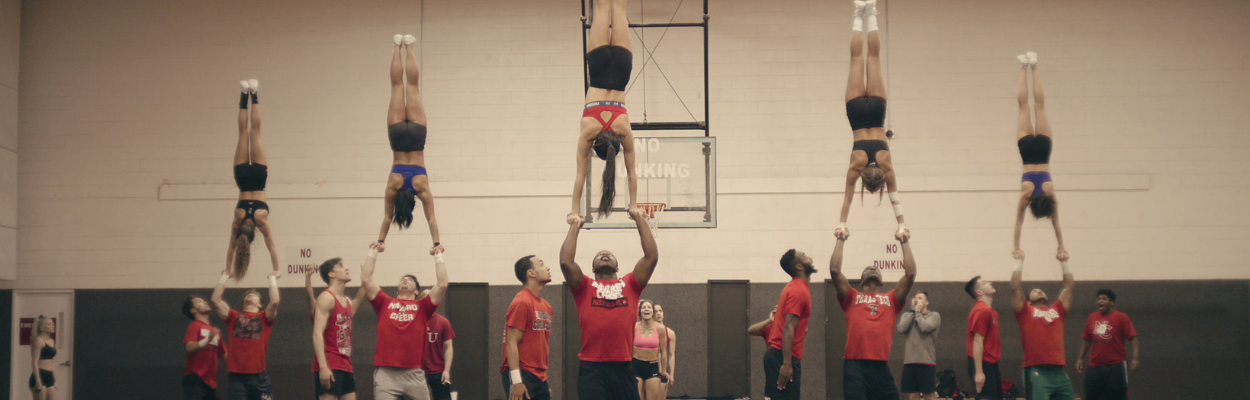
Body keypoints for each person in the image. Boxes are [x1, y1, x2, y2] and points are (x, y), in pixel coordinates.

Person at [559, 206, 658, 400]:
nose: (605, 255)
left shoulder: (631, 283)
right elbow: (565, 262)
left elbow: (651, 257)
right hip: (592, 369)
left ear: (617, 266)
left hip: (624, 367)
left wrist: (639, 219)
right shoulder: (584, 286)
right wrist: (575, 225)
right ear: (593, 268)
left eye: (609, 254)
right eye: (600, 255)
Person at [835, 0, 905, 240]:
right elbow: (847, 198)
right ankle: (858, 12)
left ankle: (871, 11)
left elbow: (895, 200)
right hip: (856, 114)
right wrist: (841, 224)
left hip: (876, 113)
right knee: (857, 58)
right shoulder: (856, 165)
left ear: (882, 180)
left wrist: (902, 225)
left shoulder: (887, 166)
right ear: (863, 181)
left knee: (873, 58)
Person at [570, 0, 638, 223]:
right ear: (594, 146)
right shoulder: (588, 133)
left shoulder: (624, 132)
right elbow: (581, 176)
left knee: (619, 7)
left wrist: (633, 204)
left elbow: (632, 174)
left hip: (621, 70)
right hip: (598, 68)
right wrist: (574, 211)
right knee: (601, 7)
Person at [831, 228, 916, 400]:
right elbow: (835, 271)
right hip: (855, 366)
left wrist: (904, 242)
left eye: (875, 268)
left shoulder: (892, 299)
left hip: (880, 368)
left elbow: (910, 274)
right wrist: (841, 239)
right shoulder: (852, 297)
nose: (872, 268)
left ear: (882, 281)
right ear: (862, 280)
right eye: (868, 269)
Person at [377, 34, 442, 256]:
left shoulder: (421, 188)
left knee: (412, 86)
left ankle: (410, 46)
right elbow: (387, 217)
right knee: (397, 86)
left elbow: (431, 218)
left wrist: (437, 244)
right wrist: (380, 241)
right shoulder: (393, 188)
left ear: (412, 204)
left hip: (416, 137)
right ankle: (397, 45)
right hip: (397, 138)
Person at [360, 241, 450, 400]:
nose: (405, 280)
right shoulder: (384, 303)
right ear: (397, 290)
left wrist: (438, 255)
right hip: (385, 374)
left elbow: (442, 284)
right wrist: (373, 251)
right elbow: (366, 279)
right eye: (403, 279)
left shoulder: (423, 307)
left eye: (410, 279)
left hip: (414, 373)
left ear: (417, 291)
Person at [1012, 52, 1066, 262]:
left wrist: (1061, 247)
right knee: (1024, 108)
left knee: (1039, 107)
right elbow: (1018, 224)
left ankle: (1034, 66)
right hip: (1027, 152)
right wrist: (1016, 247)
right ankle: (1023, 67)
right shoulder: (1025, 196)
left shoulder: (1050, 194)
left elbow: (1057, 225)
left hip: (1043, 152)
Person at [227, 79, 278, 280]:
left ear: (254, 232)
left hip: (259, 177)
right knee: (243, 134)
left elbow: (271, 247)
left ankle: (254, 93)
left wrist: (276, 269)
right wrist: (227, 268)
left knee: (255, 132)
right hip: (242, 178)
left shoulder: (261, 220)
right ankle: (244, 93)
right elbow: (231, 249)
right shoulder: (236, 220)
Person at [1011, 253, 1076, 400]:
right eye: (1034, 291)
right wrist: (1019, 262)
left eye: (1041, 290)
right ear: (1028, 300)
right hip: (1036, 371)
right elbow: (1015, 288)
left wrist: (1064, 262)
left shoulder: (1057, 310)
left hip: (1059, 373)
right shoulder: (1026, 311)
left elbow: (1069, 287)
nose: (1039, 290)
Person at [211, 270, 281, 400]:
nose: (250, 294)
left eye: (253, 294)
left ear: (260, 304)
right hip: (237, 377)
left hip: (259, 376)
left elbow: (275, 301)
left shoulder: (264, 318)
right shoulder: (233, 316)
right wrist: (225, 276)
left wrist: (272, 278)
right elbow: (215, 300)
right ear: (243, 303)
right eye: (248, 294)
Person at [765, 249, 817, 400]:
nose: (810, 257)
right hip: (782, 356)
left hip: (778, 355)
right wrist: (787, 364)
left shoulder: (797, 287)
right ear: (799, 267)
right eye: (805, 256)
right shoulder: (798, 290)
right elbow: (788, 327)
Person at [502, 255, 555, 400]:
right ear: (531, 273)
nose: (547, 268)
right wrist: (517, 381)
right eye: (542, 264)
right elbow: (511, 343)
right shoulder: (521, 302)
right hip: (522, 373)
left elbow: (541, 347)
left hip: (539, 377)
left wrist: (543, 382)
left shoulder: (546, 306)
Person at [1076, 289, 1139, 400]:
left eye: (1104, 299)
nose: (1100, 301)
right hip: (1094, 367)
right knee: (1091, 395)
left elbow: (1133, 337)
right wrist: (1081, 358)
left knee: (1118, 396)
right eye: (1099, 299)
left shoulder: (1121, 317)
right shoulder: (1092, 318)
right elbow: (1087, 339)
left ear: (1112, 302)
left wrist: (1135, 358)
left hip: (1115, 366)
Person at [312, 256, 360, 400]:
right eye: (340, 266)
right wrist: (323, 367)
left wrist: (366, 280)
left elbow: (358, 299)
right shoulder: (326, 298)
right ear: (331, 274)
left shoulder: (346, 301)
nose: (346, 268)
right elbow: (317, 333)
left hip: (345, 364)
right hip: (330, 362)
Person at [896, 292, 941, 400]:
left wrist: (917, 312)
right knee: (913, 396)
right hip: (910, 362)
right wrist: (913, 312)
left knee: (928, 395)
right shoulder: (907, 315)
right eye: (915, 298)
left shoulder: (934, 315)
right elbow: (901, 328)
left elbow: (925, 327)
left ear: (926, 302)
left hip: (926, 362)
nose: (916, 300)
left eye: (920, 298)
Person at [965, 276, 1003, 400]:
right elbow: (977, 341)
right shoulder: (981, 310)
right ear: (979, 292)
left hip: (992, 364)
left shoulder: (992, 312)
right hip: (982, 363)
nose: (990, 282)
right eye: (985, 283)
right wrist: (979, 372)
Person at [183, 295, 227, 400]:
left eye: (204, 300)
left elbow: (224, 356)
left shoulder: (214, 331)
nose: (205, 302)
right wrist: (206, 340)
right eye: (199, 302)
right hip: (194, 379)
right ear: (193, 310)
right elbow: (189, 347)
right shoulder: (194, 326)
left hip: (211, 382)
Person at [633, 299, 669, 400]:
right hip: (636, 366)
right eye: (643, 308)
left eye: (649, 307)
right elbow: (627, 348)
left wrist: (664, 370)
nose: (646, 309)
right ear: (640, 312)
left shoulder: (660, 328)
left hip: (652, 367)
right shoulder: (634, 327)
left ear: (652, 312)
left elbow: (663, 351)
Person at [424, 310, 456, 400]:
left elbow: (449, 347)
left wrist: (446, 370)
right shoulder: (414, 320)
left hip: (438, 372)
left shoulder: (443, 322)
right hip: (417, 371)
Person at [28, 315, 57, 400]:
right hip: (40, 374)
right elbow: (34, 361)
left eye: (53, 324)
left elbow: (51, 362)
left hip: (49, 376)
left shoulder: (52, 341)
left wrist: (55, 380)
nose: (52, 326)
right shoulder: (39, 340)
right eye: (49, 324)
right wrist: (38, 381)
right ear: (42, 328)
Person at [653, 303, 676, 398]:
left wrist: (671, 374)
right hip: (649, 370)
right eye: (655, 311)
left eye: (660, 311)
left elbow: (671, 355)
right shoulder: (646, 331)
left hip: (662, 372)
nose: (658, 313)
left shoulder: (670, 333)